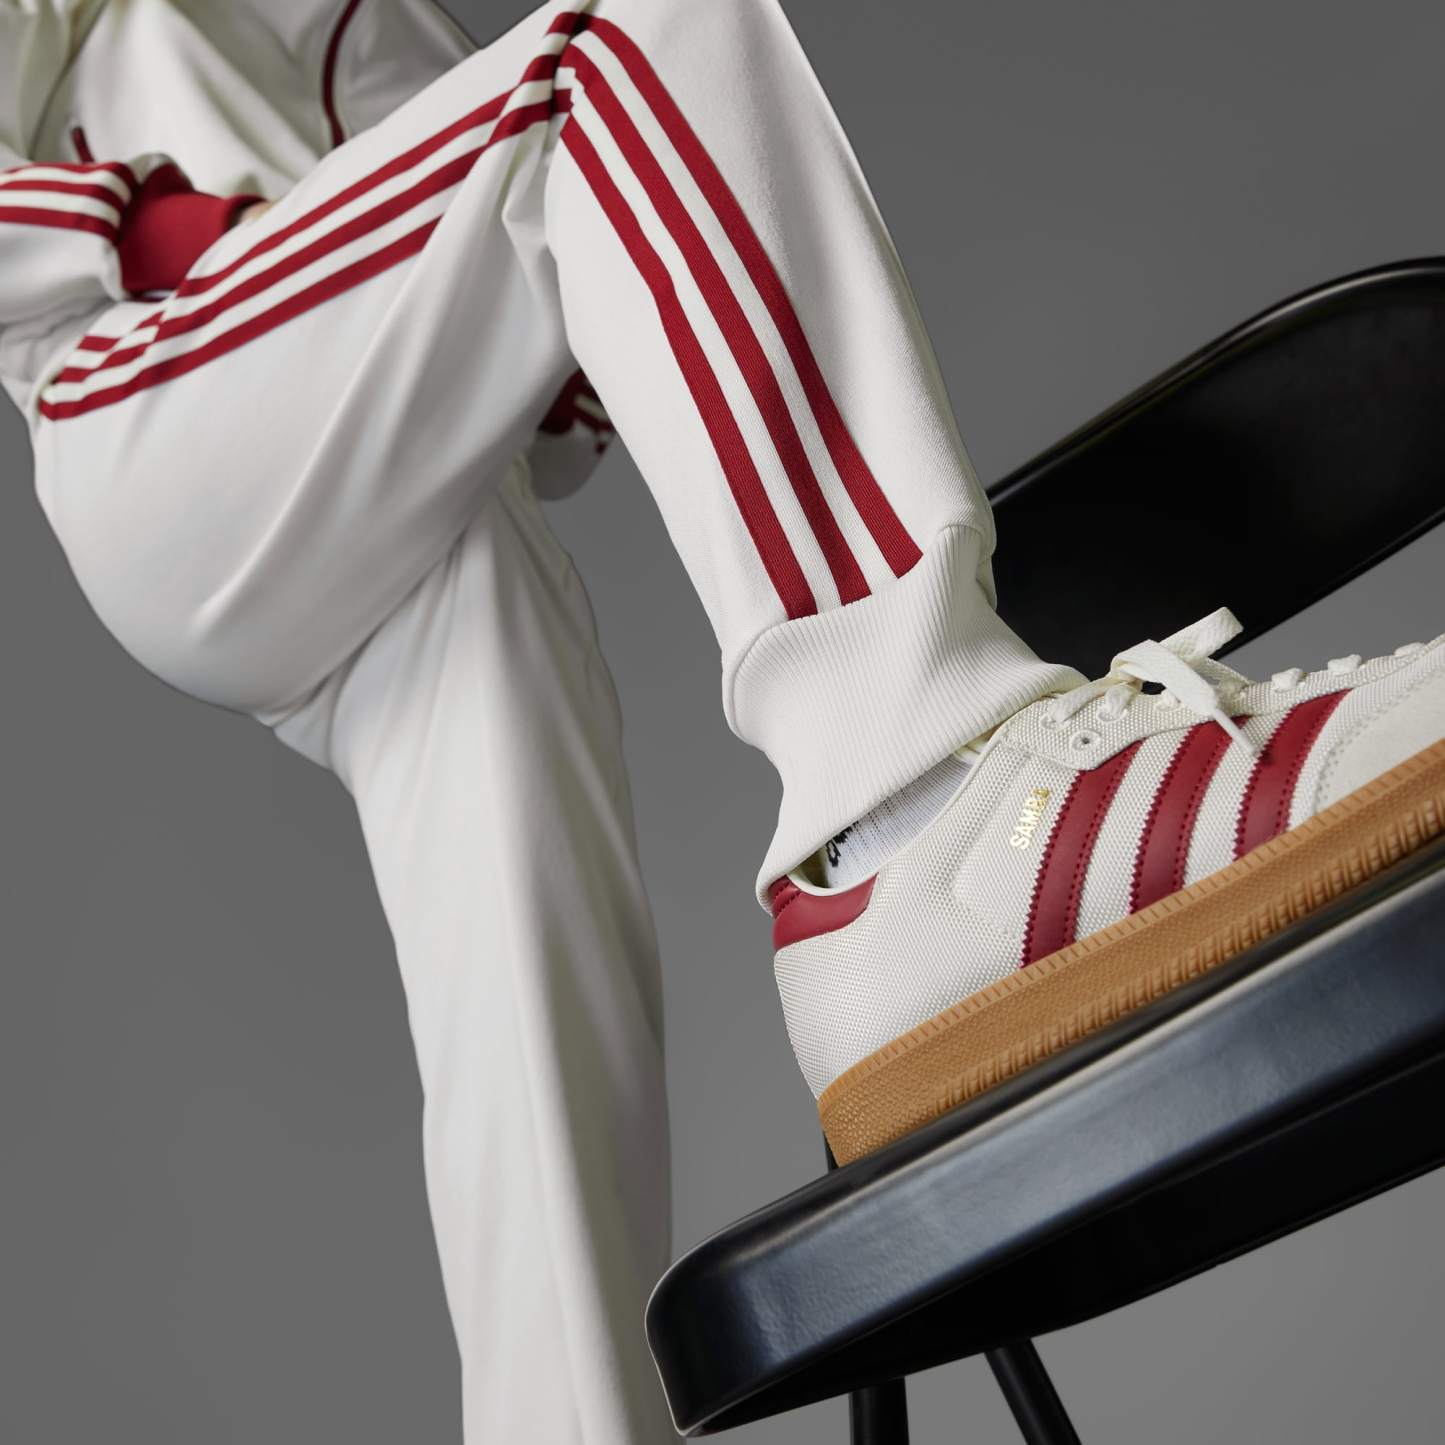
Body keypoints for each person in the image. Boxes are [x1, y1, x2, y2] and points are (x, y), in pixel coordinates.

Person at [4, 0, 1442, 1439]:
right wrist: (152, 228)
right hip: (141, 378)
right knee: (619, 51)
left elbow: (549, 380)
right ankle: (910, 800)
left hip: (385, 457)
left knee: (528, 992)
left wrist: (507, 320)